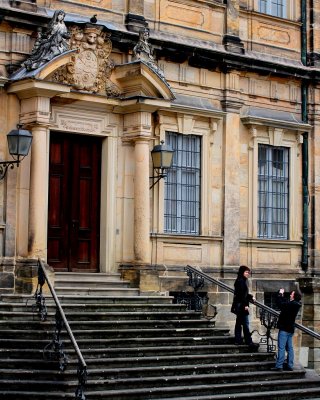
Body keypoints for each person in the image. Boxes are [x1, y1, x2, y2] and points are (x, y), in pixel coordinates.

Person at [271, 287, 302, 371]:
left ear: (294, 296)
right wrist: (282, 295)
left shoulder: (292, 304)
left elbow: (281, 304)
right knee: (290, 348)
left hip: (284, 328)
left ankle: (279, 366)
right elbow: (285, 303)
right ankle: (290, 365)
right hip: (290, 328)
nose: (290, 295)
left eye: (292, 294)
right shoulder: (295, 304)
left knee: (281, 347)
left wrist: (280, 294)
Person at [231, 265, 259, 350]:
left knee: (239, 323)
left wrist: (251, 297)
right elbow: (241, 296)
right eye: (246, 272)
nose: (248, 274)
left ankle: (238, 340)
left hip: (240, 305)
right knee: (245, 324)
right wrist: (245, 305)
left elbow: (244, 294)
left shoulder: (242, 281)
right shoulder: (240, 281)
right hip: (241, 305)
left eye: (248, 272)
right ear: (242, 272)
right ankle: (248, 341)